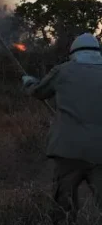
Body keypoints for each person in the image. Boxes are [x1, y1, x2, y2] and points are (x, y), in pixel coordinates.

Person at [22, 32, 102, 224]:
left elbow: (39, 92)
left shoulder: (62, 71)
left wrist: (28, 82)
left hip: (68, 150)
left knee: (63, 208)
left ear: (73, 52)